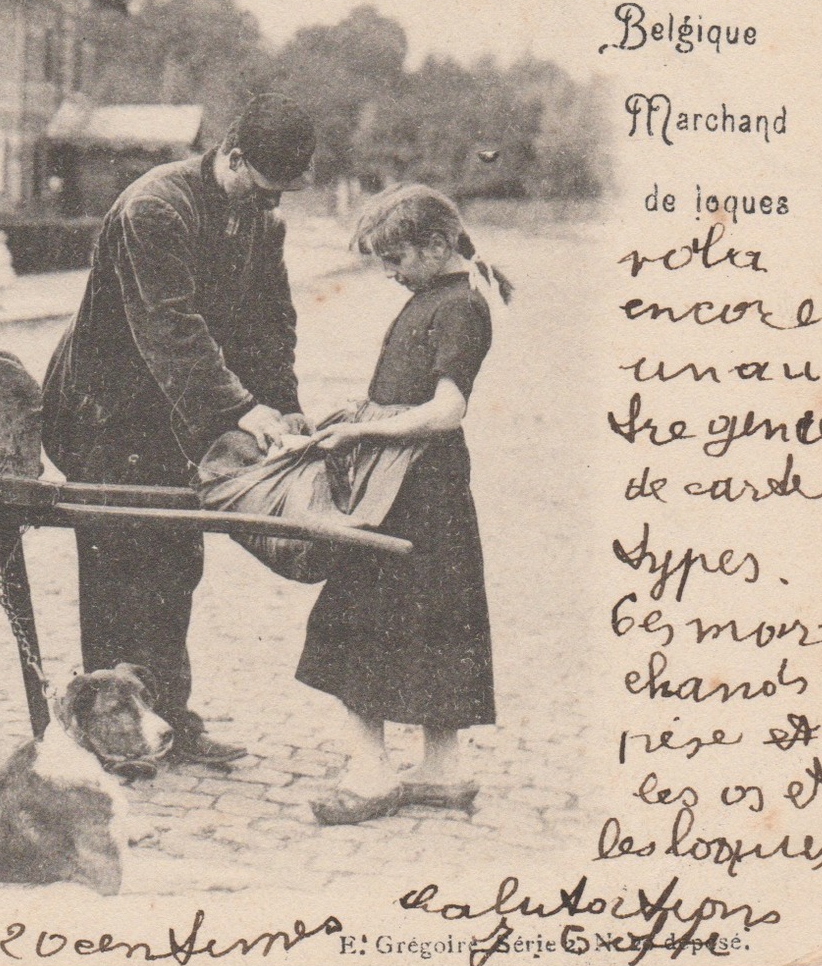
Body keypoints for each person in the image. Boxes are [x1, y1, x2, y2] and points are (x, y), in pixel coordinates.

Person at [41, 93, 318, 768]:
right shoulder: (154, 209)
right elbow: (170, 330)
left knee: (174, 567)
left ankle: (169, 722)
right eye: (257, 185)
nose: (264, 203)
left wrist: (282, 408)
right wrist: (236, 411)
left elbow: (267, 325)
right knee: (115, 568)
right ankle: (108, 735)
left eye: (275, 195)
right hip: (101, 411)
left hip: (174, 419)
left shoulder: (260, 219)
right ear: (230, 155)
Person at [297, 183, 512, 824]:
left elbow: (448, 408)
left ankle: (370, 775)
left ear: (437, 243)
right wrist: (357, 415)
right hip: (423, 489)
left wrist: (364, 430)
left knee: (355, 618)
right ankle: (443, 771)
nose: (390, 274)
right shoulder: (437, 297)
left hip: (413, 491)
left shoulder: (459, 308)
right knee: (438, 620)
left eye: (397, 259)